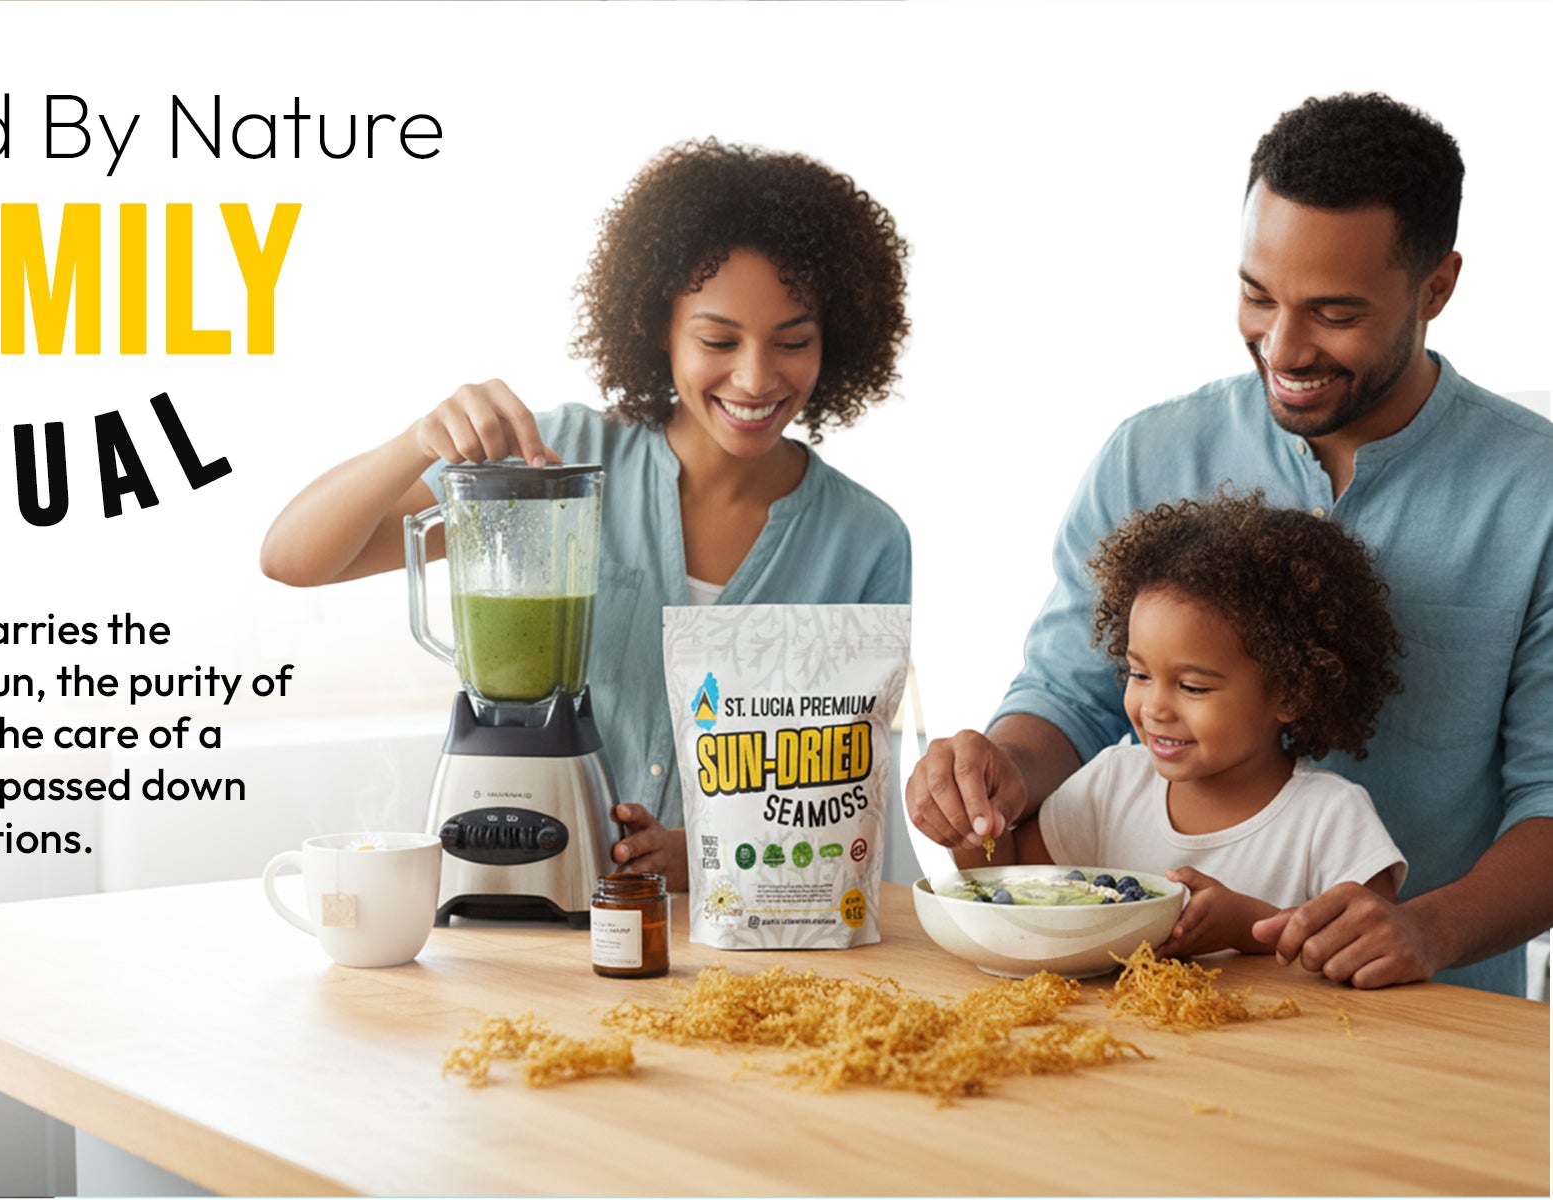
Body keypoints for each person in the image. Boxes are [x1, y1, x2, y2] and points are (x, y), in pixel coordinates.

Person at [908, 91, 1553, 994]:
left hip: (1433, 1026)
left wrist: (1426, 928)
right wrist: (995, 774)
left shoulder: (1538, 494)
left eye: (1334, 313)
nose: (1282, 347)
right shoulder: (1149, 453)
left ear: (1436, 288)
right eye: (1257, 295)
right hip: (1153, 1022)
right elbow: (1071, 696)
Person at [261, 139, 914, 890]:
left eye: (793, 341)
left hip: (749, 946)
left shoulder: (867, 540)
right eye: (717, 340)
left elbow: (839, 797)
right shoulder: (554, 463)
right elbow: (291, 557)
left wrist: (703, 857)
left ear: (837, 341)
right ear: (655, 328)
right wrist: (417, 440)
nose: (756, 377)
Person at [969, 492, 1407, 959]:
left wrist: (1247, 926)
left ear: (1290, 693)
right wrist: (973, 825)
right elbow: (1010, 881)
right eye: (1139, 674)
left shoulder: (1330, 817)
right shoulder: (1112, 783)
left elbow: (1371, 946)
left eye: (1193, 687)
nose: (1155, 707)